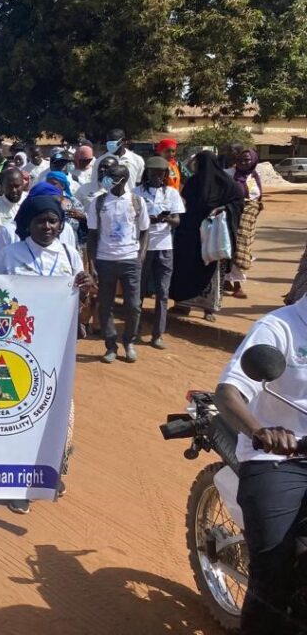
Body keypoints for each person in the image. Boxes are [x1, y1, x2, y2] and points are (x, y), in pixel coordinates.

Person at [0, 191, 94, 514]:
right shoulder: (10, 255)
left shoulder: (69, 254)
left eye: (53, 221)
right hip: (19, 346)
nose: (47, 227)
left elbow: (82, 305)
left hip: (58, 346)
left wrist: (86, 290)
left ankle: (49, 471)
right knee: (19, 413)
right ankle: (17, 482)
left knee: (57, 412)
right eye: (40, 221)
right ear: (28, 223)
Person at [214, 297, 307, 634]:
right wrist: (261, 432)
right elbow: (228, 393)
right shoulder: (279, 327)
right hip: (280, 457)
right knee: (272, 565)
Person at [86, 164, 150, 363]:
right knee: (105, 305)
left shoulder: (137, 201)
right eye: (106, 175)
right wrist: (92, 264)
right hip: (105, 260)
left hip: (130, 260)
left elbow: (145, 231)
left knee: (133, 306)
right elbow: (92, 235)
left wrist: (140, 255)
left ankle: (129, 342)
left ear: (123, 180)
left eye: (111, 176)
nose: (106, 179)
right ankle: (111, 346)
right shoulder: (98, 202)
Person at [170, 151, 244, 322]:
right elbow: (184, 203)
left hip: (213, 234)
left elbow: (238, 203)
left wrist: (222, 209)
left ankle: (208, 308)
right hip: (190, 234)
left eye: (198, 163)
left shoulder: (227, 184)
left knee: (211, 269)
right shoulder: (193, 182)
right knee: (185, 268)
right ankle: (183, 304)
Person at [135, 157, 184, 349]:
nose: (157, 176)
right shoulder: (136, 193)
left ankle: (157, 335)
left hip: (164, 246)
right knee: (138, 291)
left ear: (165, 174)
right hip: (142, 247)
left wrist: (165, 219)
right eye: (153, 172)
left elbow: (177, 220)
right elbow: (132, 218)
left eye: (161, 173)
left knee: (163, 292)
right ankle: (135, 329)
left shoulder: (171, 193)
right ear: (147, 173)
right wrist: (148, 220)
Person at [225, 148, 265, 300]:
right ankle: (234, 284)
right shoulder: (229, 174)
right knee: (232, 245)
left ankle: (233, 282)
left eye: (247, 160)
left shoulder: (255, 176)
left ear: (253, 160)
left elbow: (258, 197)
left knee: (243, 246)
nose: (243, 162)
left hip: (249, 216)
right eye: (241, 160)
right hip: (232, 213)